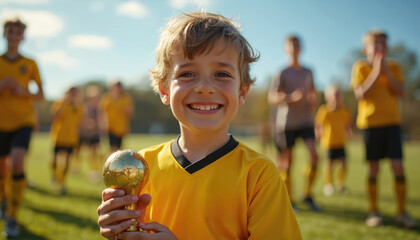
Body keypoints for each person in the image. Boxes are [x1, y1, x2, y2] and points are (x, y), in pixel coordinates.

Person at [97, 12, 302, 240]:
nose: (205, 87)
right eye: (187, 74)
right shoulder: (140, 168)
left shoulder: (260, 176)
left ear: (242, 91)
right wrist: (120, 229)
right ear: (164, 89)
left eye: (222, 74)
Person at [351, 30, 417, 228]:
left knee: (398, 166)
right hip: (371, 125)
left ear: (387, 48)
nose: (379, 47)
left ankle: (402, 212)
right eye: (375, 44)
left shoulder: (395, 66)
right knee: (374, 168)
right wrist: (376, 72)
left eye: (383, 44)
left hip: (392, 124)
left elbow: (401, 91)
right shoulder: (360, 66)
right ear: (366, 49)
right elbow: (360, 93)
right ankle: (373, 212)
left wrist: (385, 71)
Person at [0, 18, 44, 238]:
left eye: (18, 32)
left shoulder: (31, 63)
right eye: (10, 31)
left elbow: (41, 94)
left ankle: (12, 217)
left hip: (23, 121)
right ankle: (3, 201)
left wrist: (22, 91)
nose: (14, 35)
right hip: (1, 123)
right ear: (4, 34)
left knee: (17, 163)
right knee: (2, 169)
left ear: (23, 36)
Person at [267, 35, 320, 212]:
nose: (295, 48)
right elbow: (272, 97)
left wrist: (312, 100)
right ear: (286, 49)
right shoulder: (282, 72)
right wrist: (291, 97)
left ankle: (307, 194)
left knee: (314, 156)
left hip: (305, 120)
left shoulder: (308, 72)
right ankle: (289, 200)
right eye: (291, 45)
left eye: (297, 45)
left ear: (301, 48)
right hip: (287, 122)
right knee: (288, 162)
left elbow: (312, 93)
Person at [314, 84, 352, 196]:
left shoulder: (345, 111)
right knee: (329, 165)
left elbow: (348, 124)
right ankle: (328, 185)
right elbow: (319, 125)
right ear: (328, 97)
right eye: (335, 95)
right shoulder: (324, 110)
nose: (337, 98)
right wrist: (318, 135)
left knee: (344, 164)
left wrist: (349, 134)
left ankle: (340, 184)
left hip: (341, 142)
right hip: (329, 143)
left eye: (339, 95)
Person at [50, 87, 84, 194]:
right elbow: (54, 116)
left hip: (71, 138)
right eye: (71, 93)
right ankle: (54, 176)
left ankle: (62, 182)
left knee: (67, 162)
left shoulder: (78, 107)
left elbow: (81, 120)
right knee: (55, 160)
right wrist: (64, 103)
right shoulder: (60, 103)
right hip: (59, 137)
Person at [73, 85, 103, 181]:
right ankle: (76, 167)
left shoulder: (99, 108)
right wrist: (87, 123)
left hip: (95, 134)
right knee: (78, 151)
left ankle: (94, 171)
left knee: (94, 153)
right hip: (84, 133)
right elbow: (81, 119)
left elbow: (101, 120)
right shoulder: (85, 107)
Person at [99, 80, 134, 154]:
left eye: (119, 86)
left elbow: (130, 112)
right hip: (110, 127)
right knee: (113, 148)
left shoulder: (126, 98)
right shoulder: (107, 98)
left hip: (121, 128)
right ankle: (111, 164)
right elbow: (101, 111)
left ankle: (115, 164)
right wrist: (102, 123)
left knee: (119, 149)